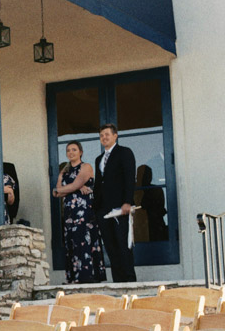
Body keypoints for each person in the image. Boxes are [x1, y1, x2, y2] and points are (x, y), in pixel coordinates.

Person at [53, 139, 105, 284]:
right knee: (72, 242)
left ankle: (88, 276)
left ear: (81, 152)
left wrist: (70, 188)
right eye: (68, 150)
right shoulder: (64, 170)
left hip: (84, 212)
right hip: (69, 212)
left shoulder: (86, 167)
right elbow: (56, 192)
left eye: (74, 149)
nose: (71, 152)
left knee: (84, 240)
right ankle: (74, 277)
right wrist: (72, 188)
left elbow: (73, 185)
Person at [93, 122, 137, 282]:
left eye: (107, 134)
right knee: (110, 247)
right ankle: (118, 283)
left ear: (115, 136)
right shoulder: (99, 158)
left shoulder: (124, 153)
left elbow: (130, 178)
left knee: (123, 244)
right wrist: (95, 209)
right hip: (103, 209)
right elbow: (99, 184)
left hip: (120, 207)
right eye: (101, 135)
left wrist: (127, 202)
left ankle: (130, 282)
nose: (104, 137)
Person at [135, 165, 168, 242]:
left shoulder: (156, 190)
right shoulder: (135, 192)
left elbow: (159, 208)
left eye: (148, 175)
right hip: (141, 227)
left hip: (154, 226)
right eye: (144, 175)